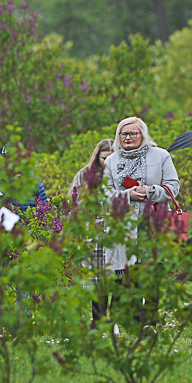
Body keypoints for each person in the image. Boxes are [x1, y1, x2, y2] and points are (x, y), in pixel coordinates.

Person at [102, 116, 180, 278]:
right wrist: (127, 195)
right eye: (123, 134)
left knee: (151, 282)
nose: (127, 138)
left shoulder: (161, 156)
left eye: (132, 133)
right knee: (125, 283)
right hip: (123, 228)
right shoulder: (111, 160)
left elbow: (173, 187)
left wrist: (150, 191)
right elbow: (104, 194)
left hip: (153, 226)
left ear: (143, 134)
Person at [68, 138, 116, 323]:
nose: (108, 162)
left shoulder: (121, 173)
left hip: (117, 231)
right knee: (98, 279)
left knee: (117, 277)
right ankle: (98, 318)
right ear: (98, 157)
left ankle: (115, 317)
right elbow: (75, 204)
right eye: (105, 158)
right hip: (94, 233)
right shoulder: (86, 175)